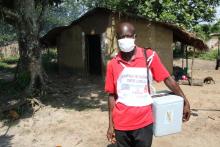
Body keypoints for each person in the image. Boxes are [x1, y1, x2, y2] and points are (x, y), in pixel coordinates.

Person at [105, 22, 190, 147]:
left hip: (144, 122)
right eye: (121, 37)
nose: (125, 40)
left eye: (128, 36)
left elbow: (167, 79)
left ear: (135, 37)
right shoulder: (113, 64)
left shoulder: (148, 57)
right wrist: (111, 125)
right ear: (117, 38)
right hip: (121, 123)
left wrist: (184, 100)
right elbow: (112, 96)